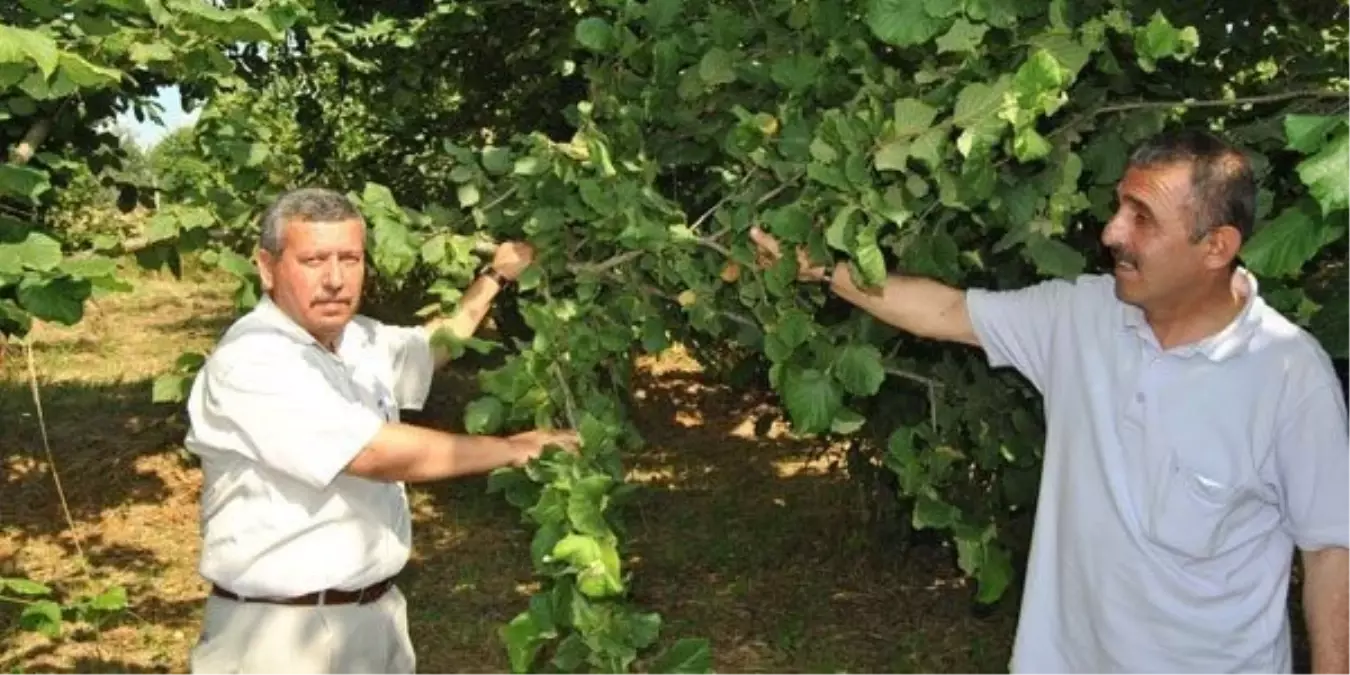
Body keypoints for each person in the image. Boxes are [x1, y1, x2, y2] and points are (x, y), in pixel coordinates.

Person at [750, 129, 1350, 674]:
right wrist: (819, 268)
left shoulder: (1288, 376)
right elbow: (947, 312)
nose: (1111, 231)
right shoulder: (1083, 315)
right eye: (1120, 206)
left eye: (1142, 218)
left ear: (1217, 246)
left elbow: (1330, 554)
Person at [182, 187, 578, 674]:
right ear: (267, 267)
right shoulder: (253, 360)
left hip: (375, 617)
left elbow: (437, 344)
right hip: (280, 639)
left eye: (349, 259)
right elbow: (374, 453)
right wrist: (513, 449)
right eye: (313, 260)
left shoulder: (356, 338)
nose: (334, 279)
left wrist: (496, 276)